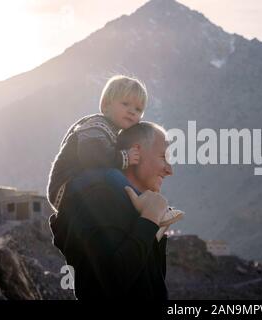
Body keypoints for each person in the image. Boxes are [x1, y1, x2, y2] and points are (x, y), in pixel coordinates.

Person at [49, 121, 182, 300]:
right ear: (138, 151)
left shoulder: (135, 208)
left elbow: (152, 285)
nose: (169, 170)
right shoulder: (100, 198)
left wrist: (155, 227)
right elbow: (106, 286)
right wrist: (149, 220)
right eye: (163, 157)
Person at [47, 75, 147, 211]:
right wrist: (124, 157)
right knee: (112, 175)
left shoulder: (113, 132)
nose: (131, 111)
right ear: (106, 105)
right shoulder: (97, 126)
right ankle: (146, 204)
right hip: (65, 186)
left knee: (116, 178)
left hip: (83, 183)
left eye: (138, 109)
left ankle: (144, 205)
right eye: (125, 104)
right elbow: (92, 157)